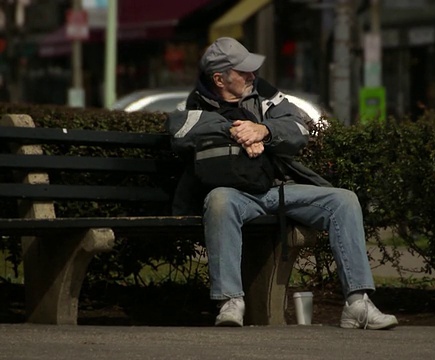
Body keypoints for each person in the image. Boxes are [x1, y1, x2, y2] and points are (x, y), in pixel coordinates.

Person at [165, 37, 397, 330]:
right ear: (219, 78)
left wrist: (264, 130)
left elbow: (299, 127)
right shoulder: (196, 103)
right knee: (219, 200)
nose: (252, 75)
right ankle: (230, 303)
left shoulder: (266, 95)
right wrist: (238, 130)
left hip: (278, 189)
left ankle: (358, 304)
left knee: (344, 200)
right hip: (235, 195)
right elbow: (179, 130)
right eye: (242, 71)